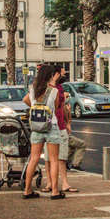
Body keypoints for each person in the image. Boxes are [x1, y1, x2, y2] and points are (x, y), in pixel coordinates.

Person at [22, 65, 65, 200]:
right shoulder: (54, 91)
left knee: (34, 159)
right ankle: (54, 191)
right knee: (53, 159)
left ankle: (27, 190)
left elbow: (25, 100)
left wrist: (35, 107)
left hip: (36, 125)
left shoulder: (33, 90)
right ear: (50, 76)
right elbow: (57, 106)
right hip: (51, 125)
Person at [42, 65, 79, 193]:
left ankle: (64, 183)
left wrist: (68, 121)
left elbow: (63, 106)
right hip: (49, 126)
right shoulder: (47, 88)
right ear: (55, 74)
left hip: (61, 126)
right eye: (62, 73)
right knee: (48, 158)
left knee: (62, 157)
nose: (64, 75)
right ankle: (50, 183)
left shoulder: (60, 88)